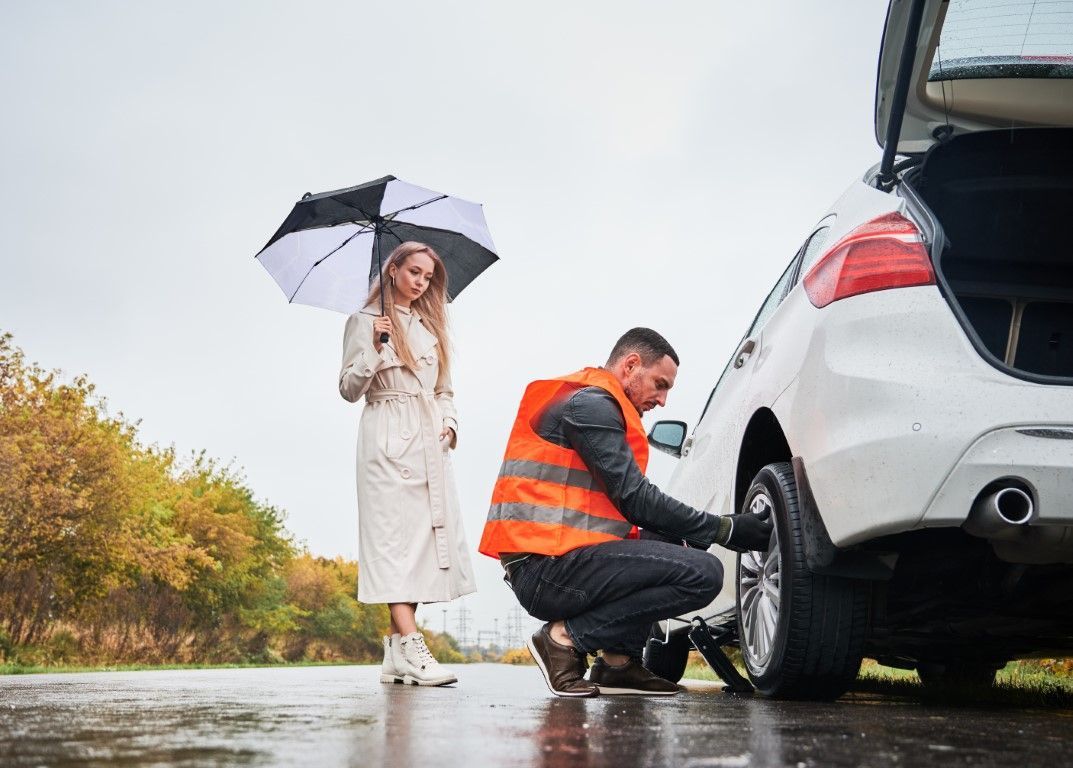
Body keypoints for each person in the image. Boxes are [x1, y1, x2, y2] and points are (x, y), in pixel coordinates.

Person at [478, 328, 772, 697]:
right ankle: (562, 639)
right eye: (659, 384)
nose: (662, 400)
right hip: (545, 571)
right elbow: (636, 500)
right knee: (705, 574)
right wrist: (725, 529)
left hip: (564, 559)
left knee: (670, 536)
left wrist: (699, 532)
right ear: (631, 365)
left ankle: (618, 664)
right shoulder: (590, 405)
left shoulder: (599, 404)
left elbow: (640, 512)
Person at [339, 241, 475, 687]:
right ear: (393, 269)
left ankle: (396, 652)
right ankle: (415, 648)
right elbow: (347, 388)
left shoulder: (431, 327)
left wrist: (450, 427)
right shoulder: (363, 322)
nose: (420, 282)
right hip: (384, 439)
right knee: (391, 544)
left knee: (419, 546)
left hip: (427, 440)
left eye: (427, 277)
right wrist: (377, 348)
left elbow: (444, 390)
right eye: (414, 272)